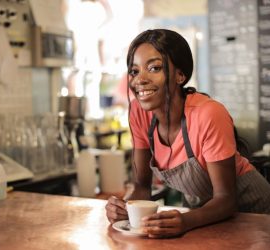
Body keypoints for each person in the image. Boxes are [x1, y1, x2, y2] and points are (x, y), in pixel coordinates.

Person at [105, 29, 270, 238]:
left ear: (180, 75)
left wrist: (185, 221)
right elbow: (141, 186)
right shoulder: (139, 113)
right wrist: (125, 208)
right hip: (202, 218)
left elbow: (226, 199)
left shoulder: (208, 114)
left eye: (154, 68)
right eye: (134, 71)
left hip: (254, 214)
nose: (140, 80)